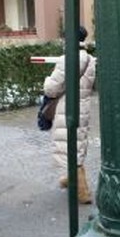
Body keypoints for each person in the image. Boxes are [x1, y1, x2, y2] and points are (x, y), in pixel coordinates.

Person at [43, 26, 96, 204]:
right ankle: (70, 179)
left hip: (67, 107)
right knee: (77, 142)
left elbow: (52, 89)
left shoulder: (67, 59)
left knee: (71, 146)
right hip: (83, 105)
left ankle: (83, 191)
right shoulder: (89, 59)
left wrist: (46, 81)